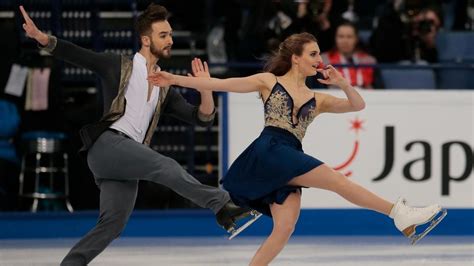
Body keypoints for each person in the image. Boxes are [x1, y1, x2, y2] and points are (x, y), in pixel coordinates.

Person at [148, 32, 446, 266]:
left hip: (289, 152)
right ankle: (398, 213)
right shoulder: (269, 81)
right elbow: (224, 83)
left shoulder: (319, 99)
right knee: (337, 180)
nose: (319, 59)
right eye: (313, 54)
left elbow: (358, 104)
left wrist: (342, 83)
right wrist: (173, 78)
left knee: (285, 227)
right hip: (271, 148)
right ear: (295, 58)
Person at [20, 4, 252, 265]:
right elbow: (78, 54)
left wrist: (205, 87)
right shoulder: (118, 65)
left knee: (112, 224)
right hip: (108, 145)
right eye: (163, 35)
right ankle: (222, 205)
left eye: (171, 34)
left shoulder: (165, 87)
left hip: (124, 161)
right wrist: (42, 38)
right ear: (145, 39)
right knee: (164, 165)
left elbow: (201, 118)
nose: (170, 40)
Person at [321, 21, 376, 89]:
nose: (345, 41)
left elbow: (380, 89)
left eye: (349, 37)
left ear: (356, 39)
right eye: (341, 36)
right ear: (335, 38)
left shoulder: (369, 61)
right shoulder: (324, 60)